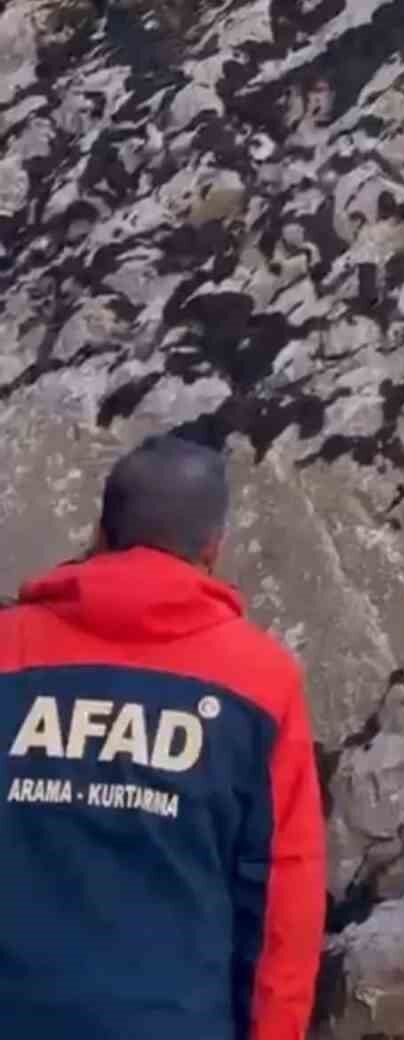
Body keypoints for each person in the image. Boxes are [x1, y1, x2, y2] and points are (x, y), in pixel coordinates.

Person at [0, 435, 326, 1040]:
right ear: (213, 548)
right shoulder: (261, 681)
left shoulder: (8, 652)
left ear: (100, 532)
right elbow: (285, 894)